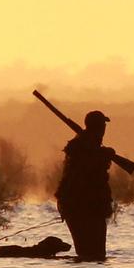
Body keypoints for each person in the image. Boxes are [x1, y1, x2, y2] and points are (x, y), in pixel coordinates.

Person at [55, 110, 115, 260]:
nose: (104, 129)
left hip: (93, 207)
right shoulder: (79, 147)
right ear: (98, 127)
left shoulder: (92, 146)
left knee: (97, 254)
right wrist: (103, 156)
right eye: (102, 125)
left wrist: (104, 154)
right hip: (80, 207)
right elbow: (86, 170)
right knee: (88, 253)